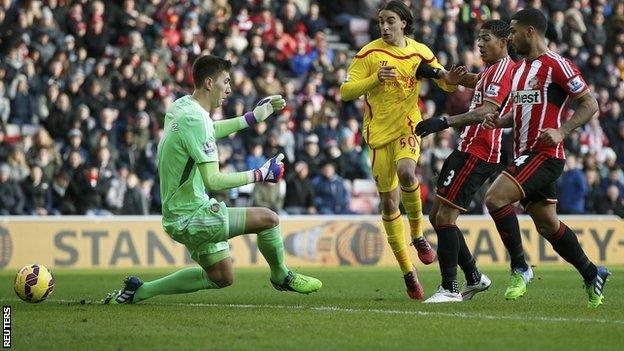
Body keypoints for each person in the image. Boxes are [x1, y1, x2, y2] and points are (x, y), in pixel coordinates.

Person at [104, 55, 321, 304]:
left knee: (222, 276)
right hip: (190, 215)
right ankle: (281, 275)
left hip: (181, 210)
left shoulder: (183, 106)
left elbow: (210, 129)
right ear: (209, 83)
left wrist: (253, 118)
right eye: (225, 82)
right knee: (269, 219)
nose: (229, 89)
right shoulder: (196, 119)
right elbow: (214, 181)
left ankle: (138, 291)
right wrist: (260, 174)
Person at [481, 8, 609, 308]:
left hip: (545, 154)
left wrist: (562, 131)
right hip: (525, 154)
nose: (509, 38)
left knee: (495, 199)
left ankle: (520, 268)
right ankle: (592, 273)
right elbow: (523, 111)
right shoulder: (521, 69)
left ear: (530, 32)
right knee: (547, 225)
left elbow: (590, 104)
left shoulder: (557, 65)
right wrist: (501, 122)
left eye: (513, 32)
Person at [340, 0, 457, 300]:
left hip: (408, 126)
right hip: (377, 137)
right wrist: (373, 79)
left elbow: (445, 83)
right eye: (381, 21)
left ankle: (417, 235)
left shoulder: (420, 51)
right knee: (389, 206)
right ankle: (408, 272)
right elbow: (345, 91)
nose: (385, 26)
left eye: (390, 20)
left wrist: (451, 82)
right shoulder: (368, 53)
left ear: (404, 22)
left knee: (408, 172)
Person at [414, 19, 516, 303]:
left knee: (446, 217)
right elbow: (475, 81)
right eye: (478, 39)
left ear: (503, 41)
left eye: (485, 39)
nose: (479, 44)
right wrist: (442, 74)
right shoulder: (492, 71)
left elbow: (485, 110)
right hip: (467, 147)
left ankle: (450, 288)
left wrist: (444, 121)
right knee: (437, 216)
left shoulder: (504, 71)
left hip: (479, 151)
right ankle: (473, 277)